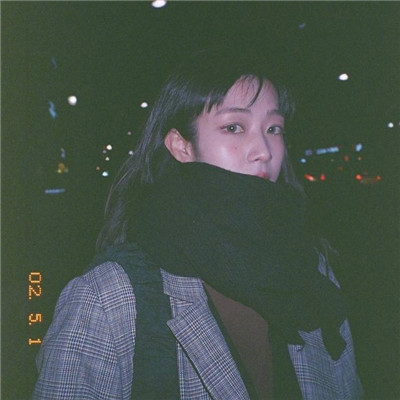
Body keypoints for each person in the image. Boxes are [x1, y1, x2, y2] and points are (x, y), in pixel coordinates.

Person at [33, 48, 363, 399]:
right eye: (234, 127)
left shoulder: (311, 269)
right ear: (181, 146)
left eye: (273, 128)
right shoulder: (108, 297)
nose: (264, 150)